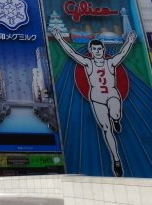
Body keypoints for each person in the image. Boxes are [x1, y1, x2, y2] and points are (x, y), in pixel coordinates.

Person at [52, 27, 137, 177]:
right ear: (91, 50)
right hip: (97, 98)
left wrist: (129, 42)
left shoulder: (110, 63)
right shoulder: (88, 63)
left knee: (115, 113)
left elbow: (122, 53)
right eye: (95, 49)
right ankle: (116, 160)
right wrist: (59, 38)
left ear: (103, 49)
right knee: (106, 129)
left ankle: (116, 119)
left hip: (112, 95)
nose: (97, 51)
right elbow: (72, 53)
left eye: (99, 48)